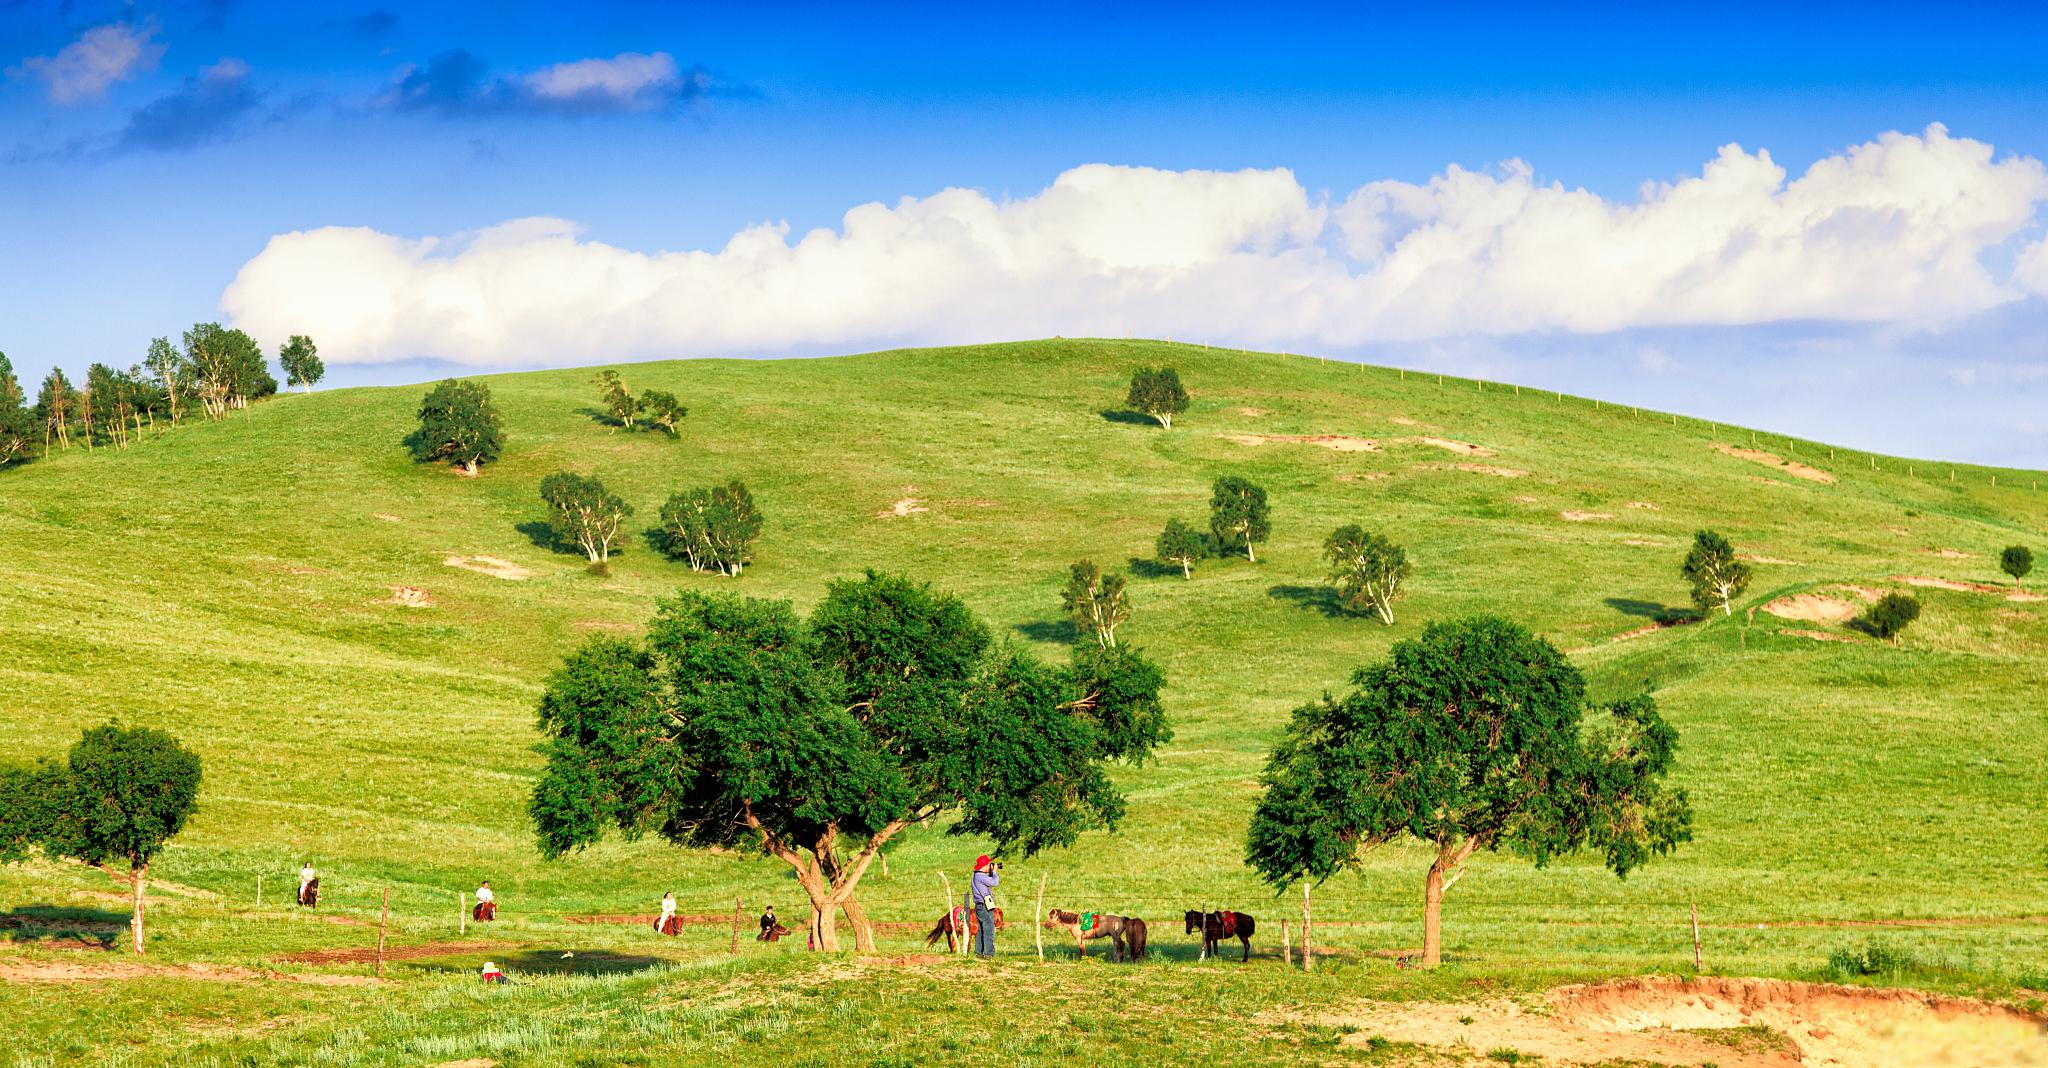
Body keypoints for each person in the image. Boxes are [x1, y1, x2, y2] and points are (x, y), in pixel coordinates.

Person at [969, 855, 1001, 959]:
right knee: (989, 928)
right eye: (988, 864)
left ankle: (978, 952)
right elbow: (995, 883)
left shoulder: (976, 875)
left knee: (981, 929)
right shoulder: (981, 876)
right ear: (984, 866)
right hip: (984, 905)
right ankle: (989, 954)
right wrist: (995, 872)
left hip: (981, 905)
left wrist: (990, 872)